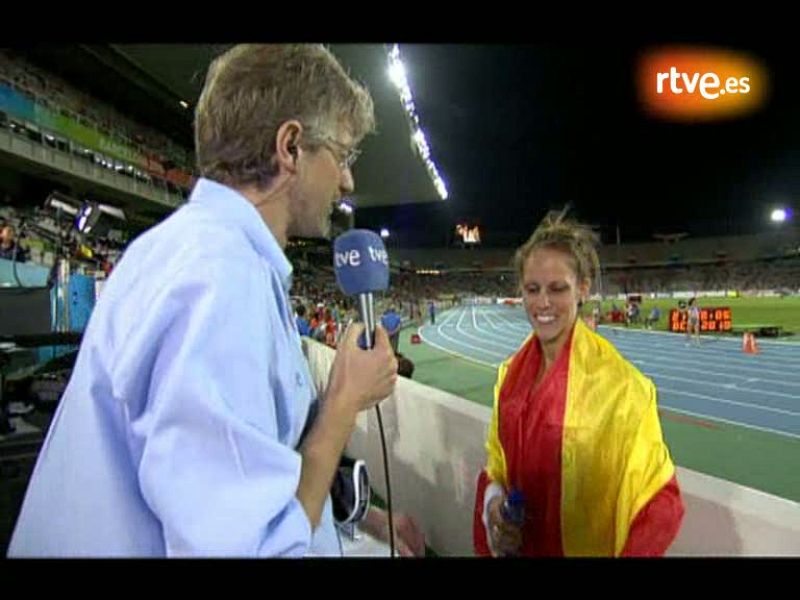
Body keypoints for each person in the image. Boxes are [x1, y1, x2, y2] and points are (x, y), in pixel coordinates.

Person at [9, 44, 401, 557]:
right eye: (343, 155)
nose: (347, 179)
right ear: (290, 147)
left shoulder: (193, 251)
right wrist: (343, 404)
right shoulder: (220, 281)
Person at [473, 210, 684, 557]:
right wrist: (495, 507)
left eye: (558, 289)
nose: (543, 303)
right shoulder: (510, 375)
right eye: (532, 289)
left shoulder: (621, 386)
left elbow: (658, 496)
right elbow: (497, 465)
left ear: (582, 289)